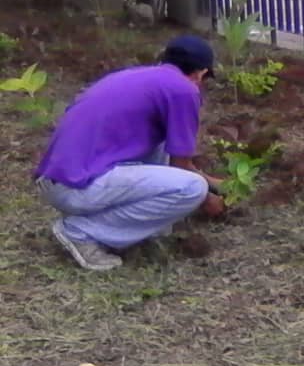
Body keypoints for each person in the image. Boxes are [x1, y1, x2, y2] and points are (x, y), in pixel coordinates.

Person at [35, 35, 226, 271]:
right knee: (192, 188)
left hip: (57, 181)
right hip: (77, 189)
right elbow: (181, 166)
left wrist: (217, 184)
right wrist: (208, 196)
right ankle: (80, 232)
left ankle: (153, 227)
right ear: (200, 73)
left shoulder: (135, 77)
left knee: (160, 143)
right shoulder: (183, 90)